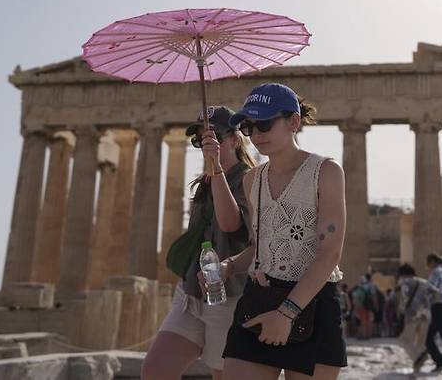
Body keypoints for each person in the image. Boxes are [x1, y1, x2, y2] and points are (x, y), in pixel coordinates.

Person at [220, 83, 348, 380]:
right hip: (261, 299)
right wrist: (228, 266)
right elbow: (258, 245)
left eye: (264, 123)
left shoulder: (326, 172)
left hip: (313, 302)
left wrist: (287, 313)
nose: (256, 134)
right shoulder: (252, 179)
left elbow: (330, 253)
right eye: (249, 126)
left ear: (293, 121)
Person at [142, 106, 256, 380]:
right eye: (199, 139)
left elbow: (230, 225)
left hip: (229, 298)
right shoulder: (204, 182)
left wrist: (216, 166)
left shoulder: (250, 179)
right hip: (190, 293)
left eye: (214, 136)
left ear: (234, 139)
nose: (206, 143)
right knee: (155, 371)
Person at [396, 263, 440, 373]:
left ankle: (417, 358)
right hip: (426, 314)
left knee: (404, 340)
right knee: (420, 342)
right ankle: (417, 366)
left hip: (412, 315)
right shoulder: (424, 282)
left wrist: (402, 309)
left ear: (403, 274)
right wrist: (427, 304)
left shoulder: (405, 282)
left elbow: (404, 297)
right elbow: (437, 293)